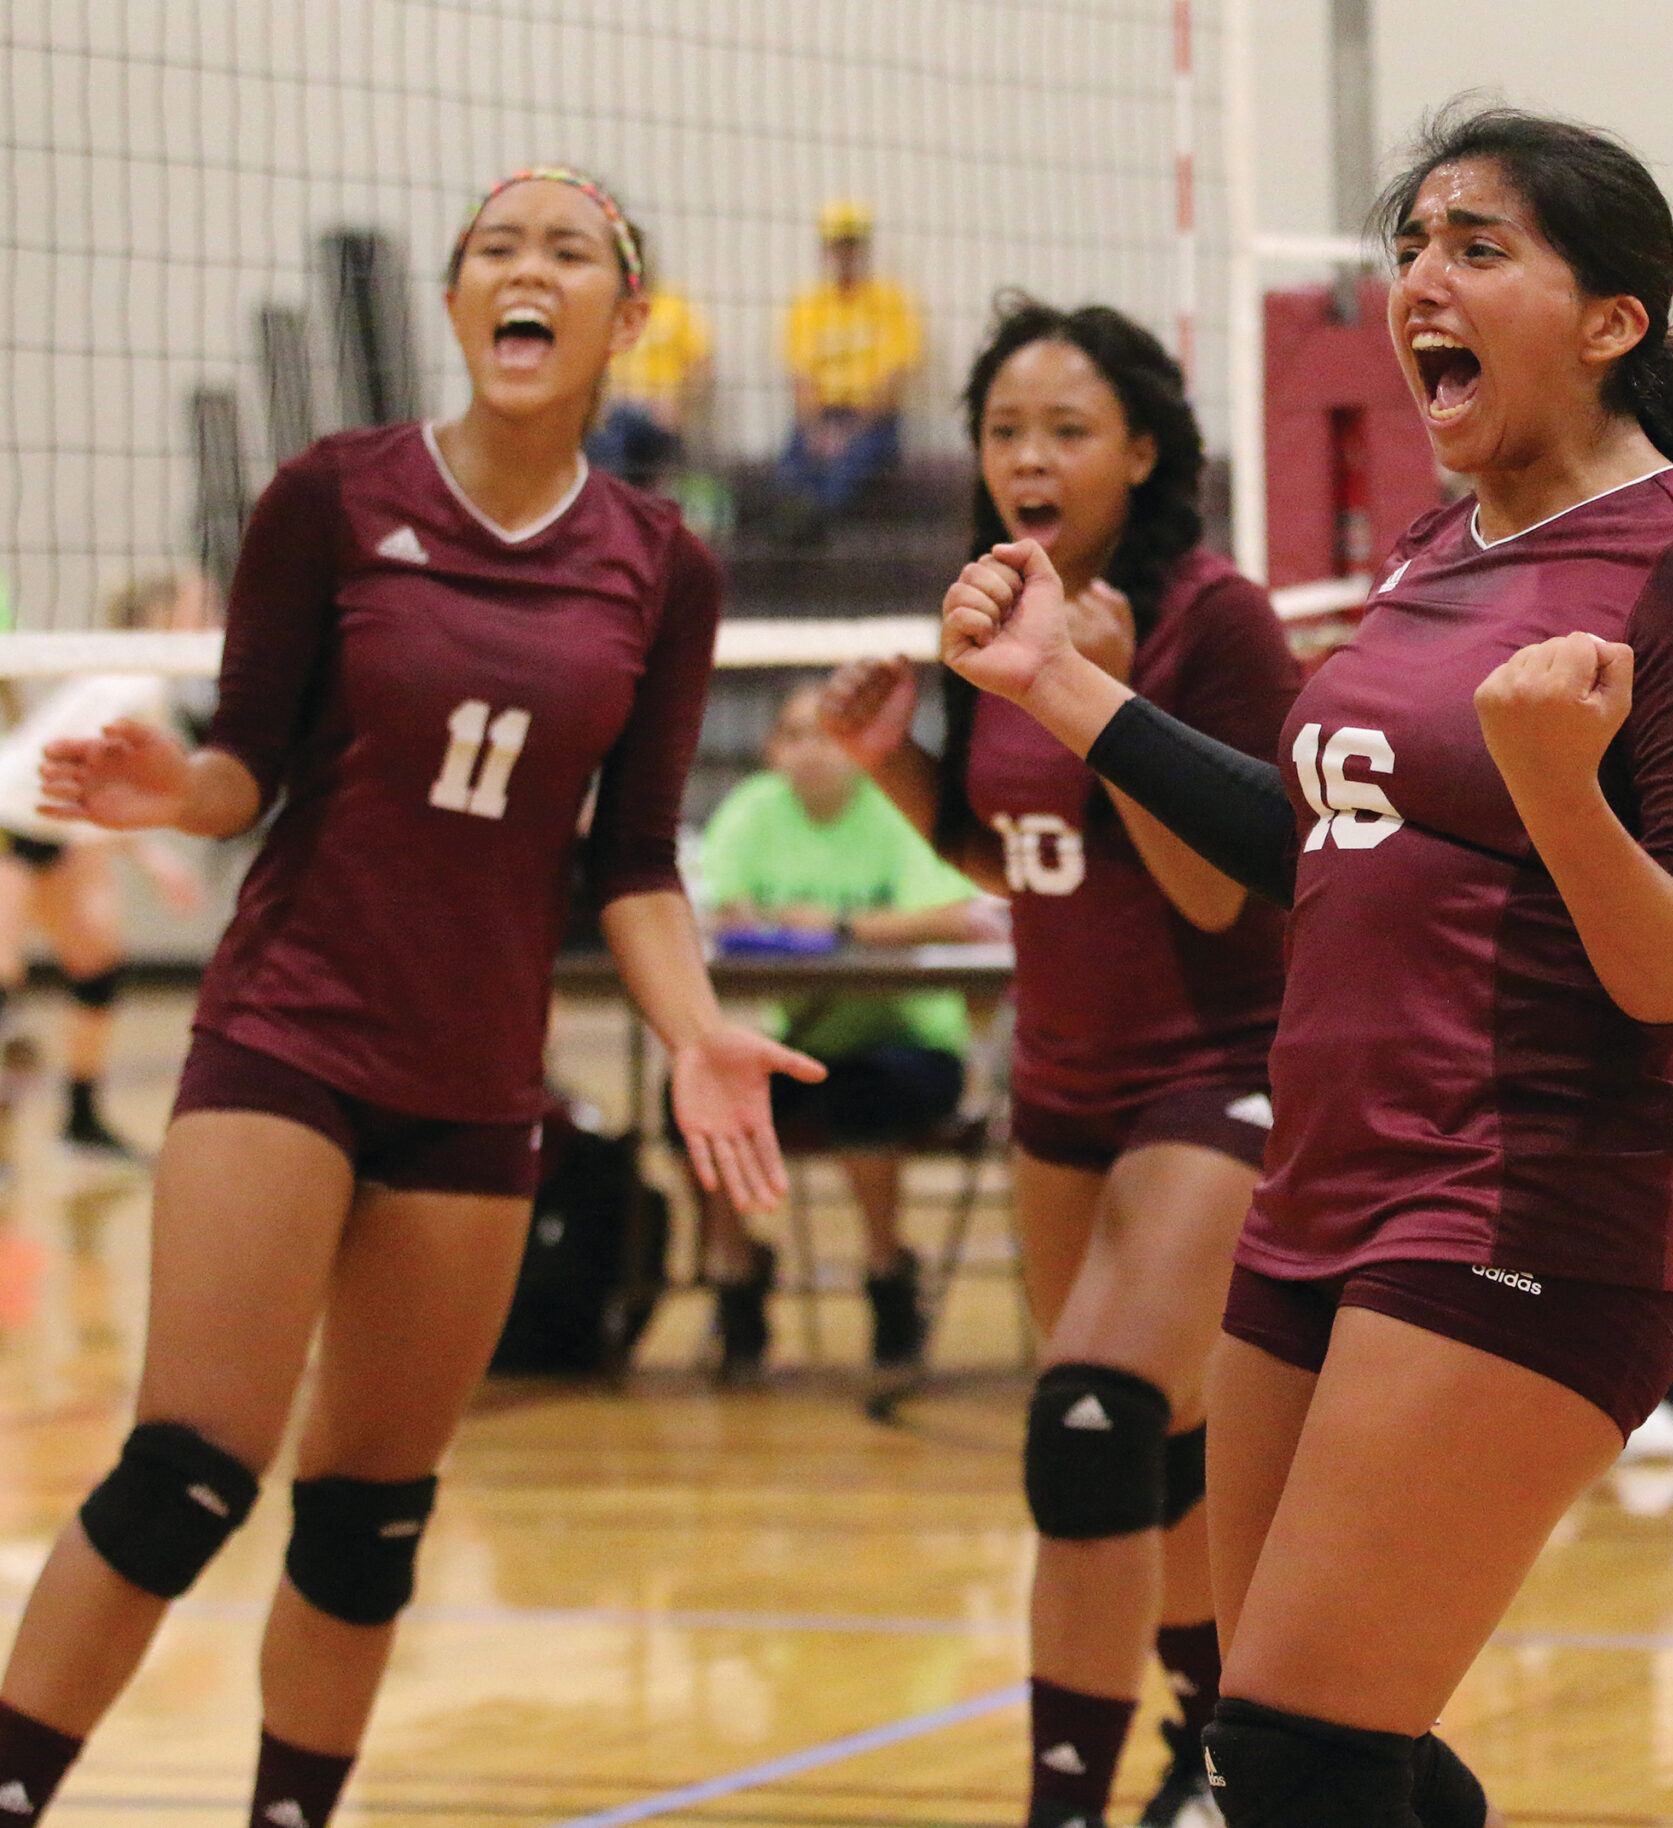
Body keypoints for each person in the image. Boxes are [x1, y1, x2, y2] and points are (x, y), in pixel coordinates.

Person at [923, 105, 1673, 1826]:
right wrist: (1059, 688)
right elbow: (1307, 840)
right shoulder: (1433, 547)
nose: (1422, 278)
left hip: (1520, 1201)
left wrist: (1560, 786)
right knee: (1318, 1754)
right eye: (1411, 246)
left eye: (1478, 247)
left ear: (1613, 318)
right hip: (1322, 1189)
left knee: (1304, 1756)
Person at [0, 168, 817, 1828]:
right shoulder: (332, 492)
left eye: (565, 251)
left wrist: (697, 1031)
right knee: (189, 1468)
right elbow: (248, 763)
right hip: (289, 1029)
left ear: (624, 318)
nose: (525, 270)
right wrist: (174, 791)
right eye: (494, 251)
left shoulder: (661, 562)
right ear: (458, 307)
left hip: (474, 1080)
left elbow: (638, 857)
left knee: (369, 1512)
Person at [825, 298, 1297, 1828]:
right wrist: (895, 764)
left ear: (1142, 452)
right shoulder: (984, 609)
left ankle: (1068, 1810)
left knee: (1090, 1417)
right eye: (1006, 430)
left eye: (1067, 430)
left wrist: (1108, 701)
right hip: (1064, 1087)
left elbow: (1224, 885)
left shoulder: (1210, 619)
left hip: (1220, 1073)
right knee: (1144, 1443)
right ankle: (1215, 1754)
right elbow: (1005, 846)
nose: (1028, 458)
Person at [691, 680, 1000, 1376]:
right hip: (800, 1044)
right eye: (795, 735)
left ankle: (888, 1276)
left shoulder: (897, 808)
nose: (812, 752)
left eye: (827, 735)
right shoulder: (750, 811)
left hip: (914, 1047)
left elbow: (960, 917)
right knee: (702, 1105)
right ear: (772, 749)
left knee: (864, 1098)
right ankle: (737, 1274)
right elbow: (723, 913)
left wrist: (838, 928)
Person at [0, 573, 216, 1167]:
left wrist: (154, 862)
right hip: (10, 817)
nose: (214, 615)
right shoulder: (133, 679)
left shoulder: (139, 679)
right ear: (163, 617)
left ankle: (81, 1121)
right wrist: (157, 863)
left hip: (59, 825)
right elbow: (86, 780)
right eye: (201, 606)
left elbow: (92, 788)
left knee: (94, 962)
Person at [779, 200, 922, 522]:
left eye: (852, 245)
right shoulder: (807, 306)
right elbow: (801, 380)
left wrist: (849, 433)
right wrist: (817, 430)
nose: (845, 255)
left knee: (843, 477)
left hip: (873, 423)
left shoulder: (892, 302)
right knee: (790, 473)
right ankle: (805, 528)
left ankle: (809, 529)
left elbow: (892, 385)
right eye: (838, 246)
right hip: (821, 417)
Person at [588, 271, 712, 488]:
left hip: (658, 412)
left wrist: (681, 407)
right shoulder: (605, 306)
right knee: (611, 434)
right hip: (612, 409)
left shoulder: (673, 305)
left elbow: (702, 365)